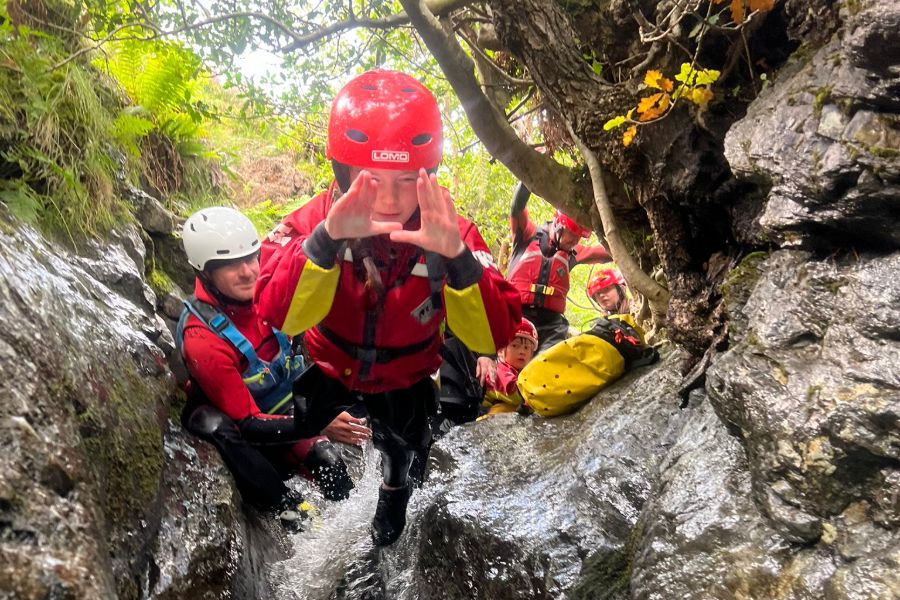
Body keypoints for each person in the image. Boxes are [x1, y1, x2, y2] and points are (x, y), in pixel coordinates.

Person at [254, 69, 521, 546]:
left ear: (428, 176)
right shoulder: (313, 221)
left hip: (404, 377)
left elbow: (491, 336)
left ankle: (393, 488)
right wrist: (327, 240)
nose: (392, 200)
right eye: (371, 179)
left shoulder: (450, 230)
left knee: (401, 447)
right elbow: (279, 312)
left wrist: (457, 259)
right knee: (300, 423)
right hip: (332, 368)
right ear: (343, 172)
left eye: (406, 180)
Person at [177, 207, 367, 531]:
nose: (249, 272)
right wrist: (318, 424)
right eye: (231, 266)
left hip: (284, 408)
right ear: (205, 272)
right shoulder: (203, 339)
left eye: (251, 258)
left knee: (330, 465)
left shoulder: (269, 271)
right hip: (245, 428)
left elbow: (323, 212)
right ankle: (287, 507)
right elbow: (248, 424)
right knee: (211, 425)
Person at [506, 182, 611, 352]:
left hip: (551, 325)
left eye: (579, 237)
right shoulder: (527, 235)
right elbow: (517, 206)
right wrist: (529, 175)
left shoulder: (574, 253)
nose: (575, 240)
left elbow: (609, 253)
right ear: (558, 225)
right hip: (517, 315)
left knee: (547, 364)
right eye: (572, 233)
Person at [481, 318, 538, 417]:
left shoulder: (523, 372)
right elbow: (512, 392)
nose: (522, 351)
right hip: (488, 416)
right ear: (501, 350)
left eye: (526, 347)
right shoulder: (499, 369)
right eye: (515, 346)